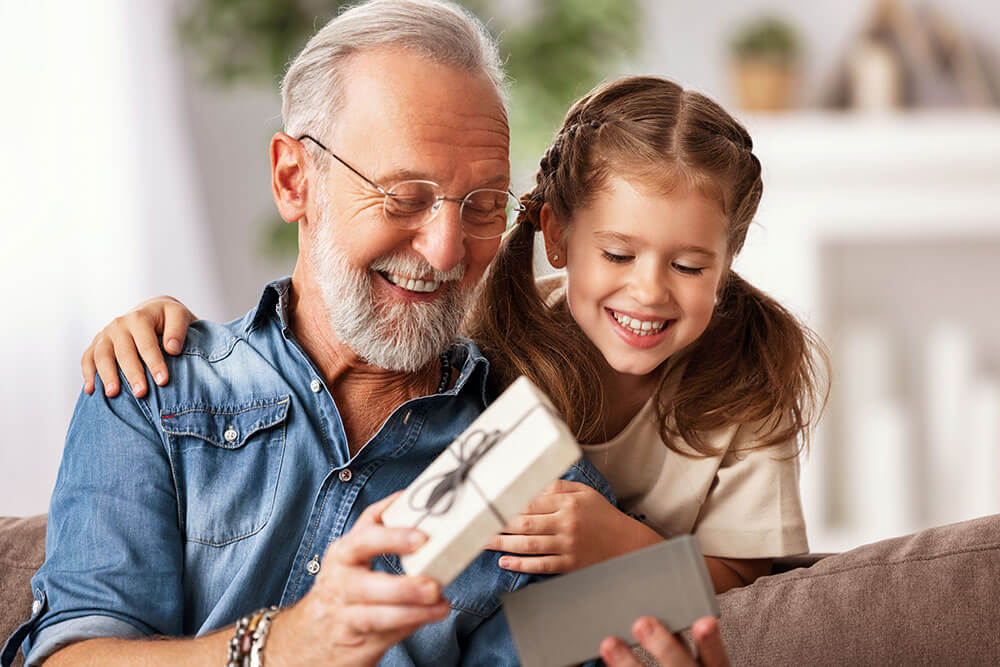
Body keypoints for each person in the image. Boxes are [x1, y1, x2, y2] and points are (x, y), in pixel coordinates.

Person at [2, 2, 623, 666]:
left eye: (483, 205)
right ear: (295, 180)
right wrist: (289, 643)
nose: (447, 252)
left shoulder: (540, 482)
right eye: (403, 196)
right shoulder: (152, 388)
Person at [85, 77, 828, 593]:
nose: (650, 291)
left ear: (728, 260)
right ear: (558, 237)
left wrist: (622, 547)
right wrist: (162, 322)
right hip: (459, 600)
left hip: (580, 612)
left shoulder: (750, 375)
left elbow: (741, 580)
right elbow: (324, 351)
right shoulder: (489, 333)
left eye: (692, 265)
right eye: (619, 254)